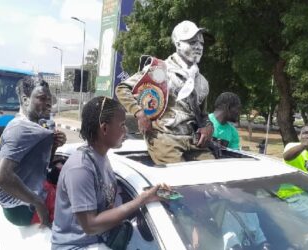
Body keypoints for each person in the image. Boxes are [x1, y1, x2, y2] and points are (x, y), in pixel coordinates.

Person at [51, 96, 169, 250]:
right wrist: (141, 200)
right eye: (122, 125)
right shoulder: (80, 168)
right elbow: (90, 226)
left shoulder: (101, 156)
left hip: (102, 238)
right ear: (105, 128)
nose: (126, 130)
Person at [115, 20, 213, 165]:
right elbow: (122, 89)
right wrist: (140, 113)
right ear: (178, 44)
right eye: (192, 42)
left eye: (201, 43)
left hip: (193, 140)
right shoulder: (160, 70)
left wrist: (208, 127)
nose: (198, 47)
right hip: (164, 138)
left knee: (214, 175)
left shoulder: (202, 82)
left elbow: (202, 114)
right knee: (180, 181)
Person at [0, 76, 66, 227]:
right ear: (25, 100)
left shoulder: (35, 126)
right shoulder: (20, 128)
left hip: (28, 197)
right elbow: (1, 176)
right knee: (83, 212)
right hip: (21, 208)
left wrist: (53, 146)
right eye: (41, 98)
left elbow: (41, 165)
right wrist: (38, 203)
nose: (48, 103)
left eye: (49, 99)